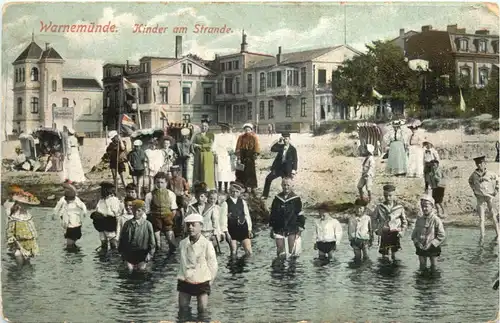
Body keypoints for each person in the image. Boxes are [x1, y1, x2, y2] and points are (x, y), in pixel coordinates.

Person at [177, 213, 218, 315]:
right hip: (185, 280)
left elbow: (213, 265)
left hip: (202, 280)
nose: (190, 227)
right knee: (183, 309)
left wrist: (210, 281)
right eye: (188, 225)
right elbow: (183, 263)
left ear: (201, 226)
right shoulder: (182, 243)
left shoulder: (207, 244)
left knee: (202, 310)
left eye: (193, 225)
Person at [269, 177, 305, 258]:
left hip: (292, 228)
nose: (286, 187)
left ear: (292, 186)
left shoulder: (296, 199)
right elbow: (273, 213)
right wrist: (271, 227)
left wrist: (300, 227)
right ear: (281, 185)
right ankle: (279, 269)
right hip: (279, 227)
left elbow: (300, 214)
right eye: (284, 185)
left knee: (292, 252)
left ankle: (292, 269)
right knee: (280, 252)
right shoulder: (277, 198)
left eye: (288, 185)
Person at [372, 184, 408, 262]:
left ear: (394, 195)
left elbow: (404, 221)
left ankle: (395, 271)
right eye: (385, 196)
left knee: (395, 255)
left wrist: (402, 231)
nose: (388, 198)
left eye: (390, 195)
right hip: (384, 233)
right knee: (384, 256)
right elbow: (373, 219)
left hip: (395, 233)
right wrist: (376, 229)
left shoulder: (399, 207)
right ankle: (384, 271)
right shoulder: (379, 207)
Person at [118, 199, 156, 272]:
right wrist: (122, 254)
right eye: (134, 210)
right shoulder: (127, 224)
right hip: (129, 254)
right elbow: (122, 240)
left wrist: (149, 255)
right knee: (129, 269)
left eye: (139, 210)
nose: (136, 212)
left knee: (141, 270)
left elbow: (152, 243)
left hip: (142, 255)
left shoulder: (148, 224)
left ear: (143, 211)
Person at [145, 172, 179, 251]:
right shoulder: (149, 195)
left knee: (171, 241)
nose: (160, 185)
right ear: (154, 183)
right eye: (158, 182)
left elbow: (174, 209)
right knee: (157, 243)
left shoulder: (171, 194)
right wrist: (152, 220)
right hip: (155, 220)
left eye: (162, 182)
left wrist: (169, 219)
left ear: (166, 183)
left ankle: (172, 256)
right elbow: (147, 211)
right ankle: (157, 258)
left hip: (167, 219)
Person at [411, 195, 446, 271]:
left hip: (433, 246)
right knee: (422, 265)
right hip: (421, 245)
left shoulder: (436, 220)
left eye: (426, 206)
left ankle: (433, 280)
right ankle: (422, 279)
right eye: (422, 206)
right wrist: (416, 242)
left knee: (434, 266)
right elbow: (414, 234)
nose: (424, 208)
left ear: (432, 207)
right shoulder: (419, 219)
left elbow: (442, 235)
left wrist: (432, 243)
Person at [468, 156, 499, 241]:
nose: (479, 165)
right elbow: (470, 181)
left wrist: (496, 190)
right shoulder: (474, 174)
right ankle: (482, 237)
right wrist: (474, 189)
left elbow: (497, 179)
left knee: (493, 216)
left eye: (481, 163)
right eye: (477, 164)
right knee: (482, 219)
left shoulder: (490, 173)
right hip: (480, 198)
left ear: (485, 164)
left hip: (489, 197)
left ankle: (498, 234)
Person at [219, 182, 253, 257]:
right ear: (230, 192)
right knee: (234, 251)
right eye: (233, 191)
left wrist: (249, 229)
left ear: (239, 192)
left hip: (243, 228)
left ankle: (246, 266)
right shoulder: (225, 203)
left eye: (237, 191)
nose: (234, 193)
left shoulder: (243, 202)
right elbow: (223, 219)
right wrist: (226, 232)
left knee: (249, 251)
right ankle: (233, 267)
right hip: (232, 230)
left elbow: (247, 216)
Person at [262, 132, 298, 200]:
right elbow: (273, 149)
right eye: (284, 139)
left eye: (286, 139)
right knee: (268, 179)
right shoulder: (280, 147)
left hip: (287, 169)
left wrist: (294, 170)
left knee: (287, 183)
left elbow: (295, 160)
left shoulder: (293, 149)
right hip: (278, 168)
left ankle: (289, 197)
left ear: (289, 139)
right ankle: (265, 195)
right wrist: (279, 141)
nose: (285, 140)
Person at [91, 181, 123, 252]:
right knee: (103, 243)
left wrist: (118, 233)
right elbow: (97, 210)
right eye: (102, 189)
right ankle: (104, 259)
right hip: (101, 225)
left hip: (110, 224)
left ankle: (114, 259)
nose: (102, 191)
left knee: (113, 244)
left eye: (104, 189)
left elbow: (117, 216)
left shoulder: (114, 200)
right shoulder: (101, 201)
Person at [6, 197, 39, 265]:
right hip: (17, 241)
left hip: (28, 241)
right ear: (19, 205)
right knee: (18, 255)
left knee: (27, 260)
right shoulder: (14, 216)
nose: (26, 206)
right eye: (24, 204)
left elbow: (32, 228)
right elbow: (10, 231)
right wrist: (12, 240)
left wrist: (34, 237)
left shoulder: (28, 215)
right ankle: (19, 271)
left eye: (27, 205)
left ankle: (26, 272)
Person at [53, 183, 87, 249]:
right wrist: (54, 213)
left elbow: (82, 205)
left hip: (73, 223)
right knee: (68, 228)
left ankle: (70, 243)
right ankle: (71, 242)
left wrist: (84, 212)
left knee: (70, 239)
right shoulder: (64, 199)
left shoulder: (76, 199)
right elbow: (58, 207)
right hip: (70, 220)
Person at [235, 123, 260, 193]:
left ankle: (253, 187)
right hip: (243, 156)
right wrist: (239, 157)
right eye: (246, 130)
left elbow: (257, 147)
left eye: (249, 130)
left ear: (251, 130)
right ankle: (244, 187)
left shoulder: (254, 137)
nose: (247, 131)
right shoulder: (241, 137)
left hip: (250, 157)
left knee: (251, 173)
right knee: (242, 172)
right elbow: (238, 147)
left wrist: (255, 155)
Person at [192, 121, 217, 191]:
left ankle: (208, 186)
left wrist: (200, 146)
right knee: (198, 170)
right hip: (198, 155)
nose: (204, 127)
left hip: (207, 155)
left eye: (205, 126)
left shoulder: (211, 135)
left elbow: (210, 145)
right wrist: (195, 146)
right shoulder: (197, 135)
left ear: (208, 127)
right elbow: (193, 144)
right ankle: (198, 186)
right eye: (202, 126)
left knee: (207, 171)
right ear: (200, 127)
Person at [214, 125, 236, 193]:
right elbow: (214, 145)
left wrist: (231, 150)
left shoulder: (231, 136)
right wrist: (215, 154)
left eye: (225, 128)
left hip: (227, 156)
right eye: (222, 128)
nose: (223, 130)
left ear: (227, 129)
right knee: (220, 172)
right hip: (220, 155)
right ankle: (220, 187)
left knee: (227, 172)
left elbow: (233, 145)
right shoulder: (217, 136)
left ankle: (226, 188)